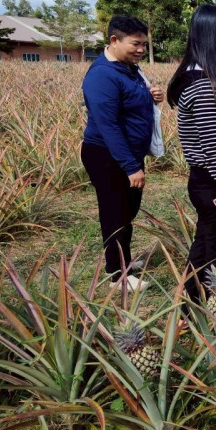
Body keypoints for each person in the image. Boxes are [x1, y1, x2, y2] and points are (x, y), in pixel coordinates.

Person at [167, 4, 216, 309]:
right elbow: (215, 149)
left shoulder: (203, 79)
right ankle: (215, 322)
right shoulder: (203, 88)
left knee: (205, 247)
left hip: (213, 182)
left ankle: (189, 310)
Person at [82, 15, 164, 291]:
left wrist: (151, 96)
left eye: (144, 45)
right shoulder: (102, 75)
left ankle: (123, 260)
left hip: (127, 154)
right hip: (107, 155)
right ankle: (117, 275)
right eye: (135, 44)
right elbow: (108, 125)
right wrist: (130, 166)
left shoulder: (130, 69)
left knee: (127, 211)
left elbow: (129, 102)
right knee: (115, 213)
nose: (141, 49)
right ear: (114, 40)